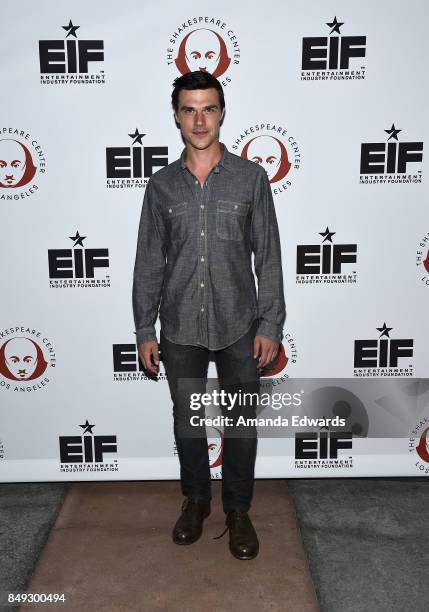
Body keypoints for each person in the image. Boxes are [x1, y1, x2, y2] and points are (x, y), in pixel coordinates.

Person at [132, 70, 286, 560]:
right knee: (187, 420)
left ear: (222, 113)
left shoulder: (251, 178)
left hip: (240, 324)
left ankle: (238, 511)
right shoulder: (160, 187)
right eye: (189, 109)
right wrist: (143, 327)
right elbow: (149, 261)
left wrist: (270, 323)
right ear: (176, 116)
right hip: (179, 326)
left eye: (209, 108)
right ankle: (196, 500)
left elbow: (270, 256)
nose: (199, 119)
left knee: (240, 421)